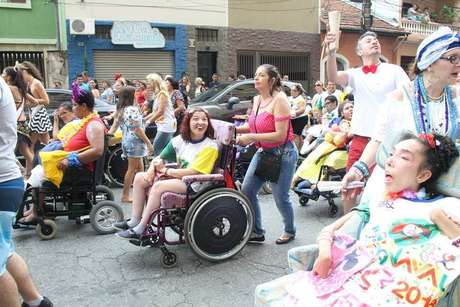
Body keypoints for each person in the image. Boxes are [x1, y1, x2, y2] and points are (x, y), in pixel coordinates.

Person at [255, 133, 460, 306]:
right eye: (391, 154)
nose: (389, 161)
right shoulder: (381, 200)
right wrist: (325, 252)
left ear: (423, 175)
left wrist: (438, 217)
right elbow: (331, 230)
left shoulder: (445, 206)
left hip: (394, 294)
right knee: (269, 294)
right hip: (350, 283)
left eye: (404, 158)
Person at [325, 30, 410, 213]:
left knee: (385, 189)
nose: (374, 42)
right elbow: (333, 77)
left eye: (376, 40)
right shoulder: (355, 74)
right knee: (351, 186)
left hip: (388, 142)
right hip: (360, 140)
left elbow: (409, 94)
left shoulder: (394, 70)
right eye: (369, 41)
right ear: (359, 51)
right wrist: (332, 53)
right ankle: (347, 229)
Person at [114, 108, 219, 239]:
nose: (201, 122)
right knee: (140, 177)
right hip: (180, 178)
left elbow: (193, 171)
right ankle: (135, 220)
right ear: (188, 122)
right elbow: (159, 158)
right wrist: (151, 170)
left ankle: (142, 229)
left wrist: (165, 170)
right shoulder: (180, 140)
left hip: (195, 183)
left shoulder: (210, 146)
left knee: (159, 186)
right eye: (196, 119)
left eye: (204, 119)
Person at [0, 75, 53, 307]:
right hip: (7, 175)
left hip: (3, 179)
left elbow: (44, 100)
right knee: (5, 250)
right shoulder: (5, 86)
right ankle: (35, 301)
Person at [21, 83, 106, 222]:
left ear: (83, 106)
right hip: (69, 163)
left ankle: (37, 211)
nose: (72, 108)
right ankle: (36, 208)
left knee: (39, 176)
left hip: (77, 169)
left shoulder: (94, 124)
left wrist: (69, 160)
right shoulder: (84, 121)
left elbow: (97, 151)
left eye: (74, 105)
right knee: (37, 172)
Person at [236, 64, 298, 245]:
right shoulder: (256, 100)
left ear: (271, 80)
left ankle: (289, 230)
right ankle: (257, 231)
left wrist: (250, 137)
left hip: (283, 153)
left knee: (280, 197)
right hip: (264, 151)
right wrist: (236, 130)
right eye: (255, 75)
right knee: (247, 190)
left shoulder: (280, 100)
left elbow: (280, 134)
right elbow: (254, 126)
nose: (256, 78)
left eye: (261, 75)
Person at [108, 86, 153, 203]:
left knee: (139, 168)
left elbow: (114, 126)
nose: (137, 95)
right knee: (132, 169)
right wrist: (148, 143)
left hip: (127, 141)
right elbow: (137, 129)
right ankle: (125, 195)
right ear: (131, 96)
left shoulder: (121, 109)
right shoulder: (132, 110)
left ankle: (141, 192)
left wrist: (108, 136)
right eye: (135, 93)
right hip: (135, 142)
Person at [293, 101, 353, 186]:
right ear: (342, 113)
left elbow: (347, 135)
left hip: (345, 150)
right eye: (347, 108)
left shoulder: (357, 123)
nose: (351, 109)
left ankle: (317, 181)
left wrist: (336, 133)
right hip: (332, 146)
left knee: (329, 159)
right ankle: (298, 177)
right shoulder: (339, 121)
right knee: (314, 156)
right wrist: (336, 132)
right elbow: (329, 132)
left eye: (352, 107)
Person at [2, 67, 34, 178]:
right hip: (22, 122)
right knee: (24, 151)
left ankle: (32, 171)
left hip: (16, 124)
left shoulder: (9, 88)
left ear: (9, 76)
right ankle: (29, 172)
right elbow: (34, 101)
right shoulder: (20, 89)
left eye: (4, 73)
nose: (2, 75)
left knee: (15, 151)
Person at [17, 61, 52, 154]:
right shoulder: (28, 84)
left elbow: (46, 100)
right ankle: (35, 164)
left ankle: (47, 161)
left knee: (43, 142)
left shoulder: (37, 83)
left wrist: (34, 101)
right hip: (34, 114)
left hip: (40, 114)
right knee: (35, 144)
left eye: (21, 73)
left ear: (25, 71)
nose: (20, 76)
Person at [144, 73, 176, 156]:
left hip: (166, 125)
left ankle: (159, 168)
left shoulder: (162, 94)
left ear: (154, 82)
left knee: (157, 149)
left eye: (149, 82)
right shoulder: (158, 94)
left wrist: (148, 121)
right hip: (163, 125)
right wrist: (144, 119)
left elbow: (161, 111)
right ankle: (167, 166)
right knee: (165, 151)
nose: (148, 84)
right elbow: (155, 112)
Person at [289, 84, 309, 150]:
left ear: (298, 92)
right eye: (291, 90)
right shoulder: (290, 98)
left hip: (300, 119)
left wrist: (294, 113)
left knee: (295, 135)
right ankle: (301, 150)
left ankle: (296, 152)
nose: (292, 92)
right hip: (294, 119)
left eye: (294, 91)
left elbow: (302, 110)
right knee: (299, 135)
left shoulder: (300, 99)